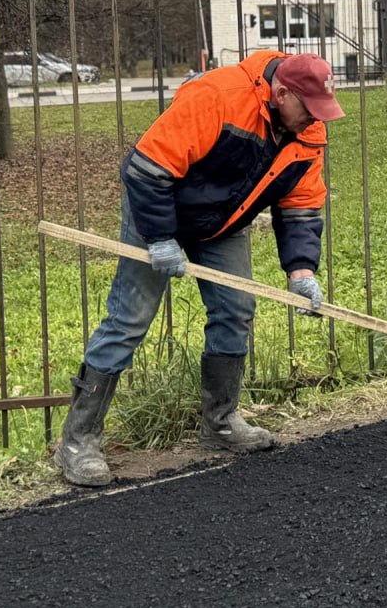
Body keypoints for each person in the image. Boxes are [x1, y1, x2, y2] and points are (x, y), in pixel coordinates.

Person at [54, 50, 345, 486]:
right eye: (308, 110)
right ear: (282, 92)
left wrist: (302, 271)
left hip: (224, 222)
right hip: (157, 207)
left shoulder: (309, 131)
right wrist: (159, 238)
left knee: (236, 309)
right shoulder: (219, 96)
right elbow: (147, 169)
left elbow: (301, 205)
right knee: (128, 320)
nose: (314, 121)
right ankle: (77, 441)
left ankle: (221, 423)